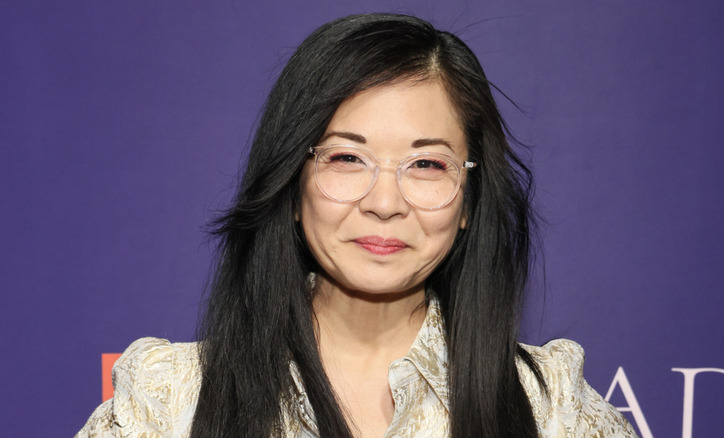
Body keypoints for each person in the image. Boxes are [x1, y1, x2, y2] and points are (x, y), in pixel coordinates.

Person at [78, 13, 637, 438]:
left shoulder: (552, 405)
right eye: (347, 159)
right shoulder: (166, 399)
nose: (385, 202)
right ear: (291, 183)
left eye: (426, 164)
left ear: (469, 201)